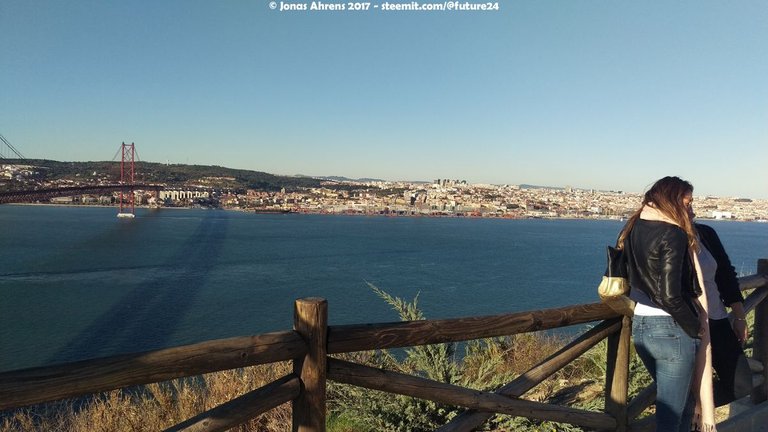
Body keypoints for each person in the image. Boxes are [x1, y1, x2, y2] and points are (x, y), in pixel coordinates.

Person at [616, 176, 708, 432]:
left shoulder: (633, 227)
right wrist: (695, 329)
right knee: (670, 415)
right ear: (671, 200)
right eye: (687, 202)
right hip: (672, 329)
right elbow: (669, 296)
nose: (691, 209)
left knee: (683, 402)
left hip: (642, 326)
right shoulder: (673, 233)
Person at [691, 216, 753, 406]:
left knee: (742, 384)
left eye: (691, 202)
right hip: (685, 323)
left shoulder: (705, 233)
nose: (691, 210)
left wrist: (740, 317)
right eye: (685, 203)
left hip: (716, 319)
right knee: (683, 387)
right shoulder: (664, 236)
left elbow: (726, 274)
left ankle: (692, 409)